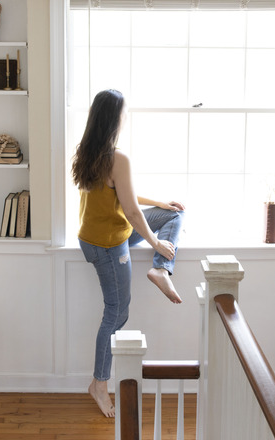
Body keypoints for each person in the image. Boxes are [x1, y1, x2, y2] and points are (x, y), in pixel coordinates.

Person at [71, 89, 185, 417]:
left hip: (99, 235)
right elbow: (132, 213)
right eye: (123, 114)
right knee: (117, 312)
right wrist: (156, 244)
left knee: (173, 214)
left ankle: (160, 270)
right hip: (108, 245)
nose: (125, 119)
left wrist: (159, 203)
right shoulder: (116, 159)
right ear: (114, 119)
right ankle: (99, 384)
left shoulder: (88, 152)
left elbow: (125, 197)